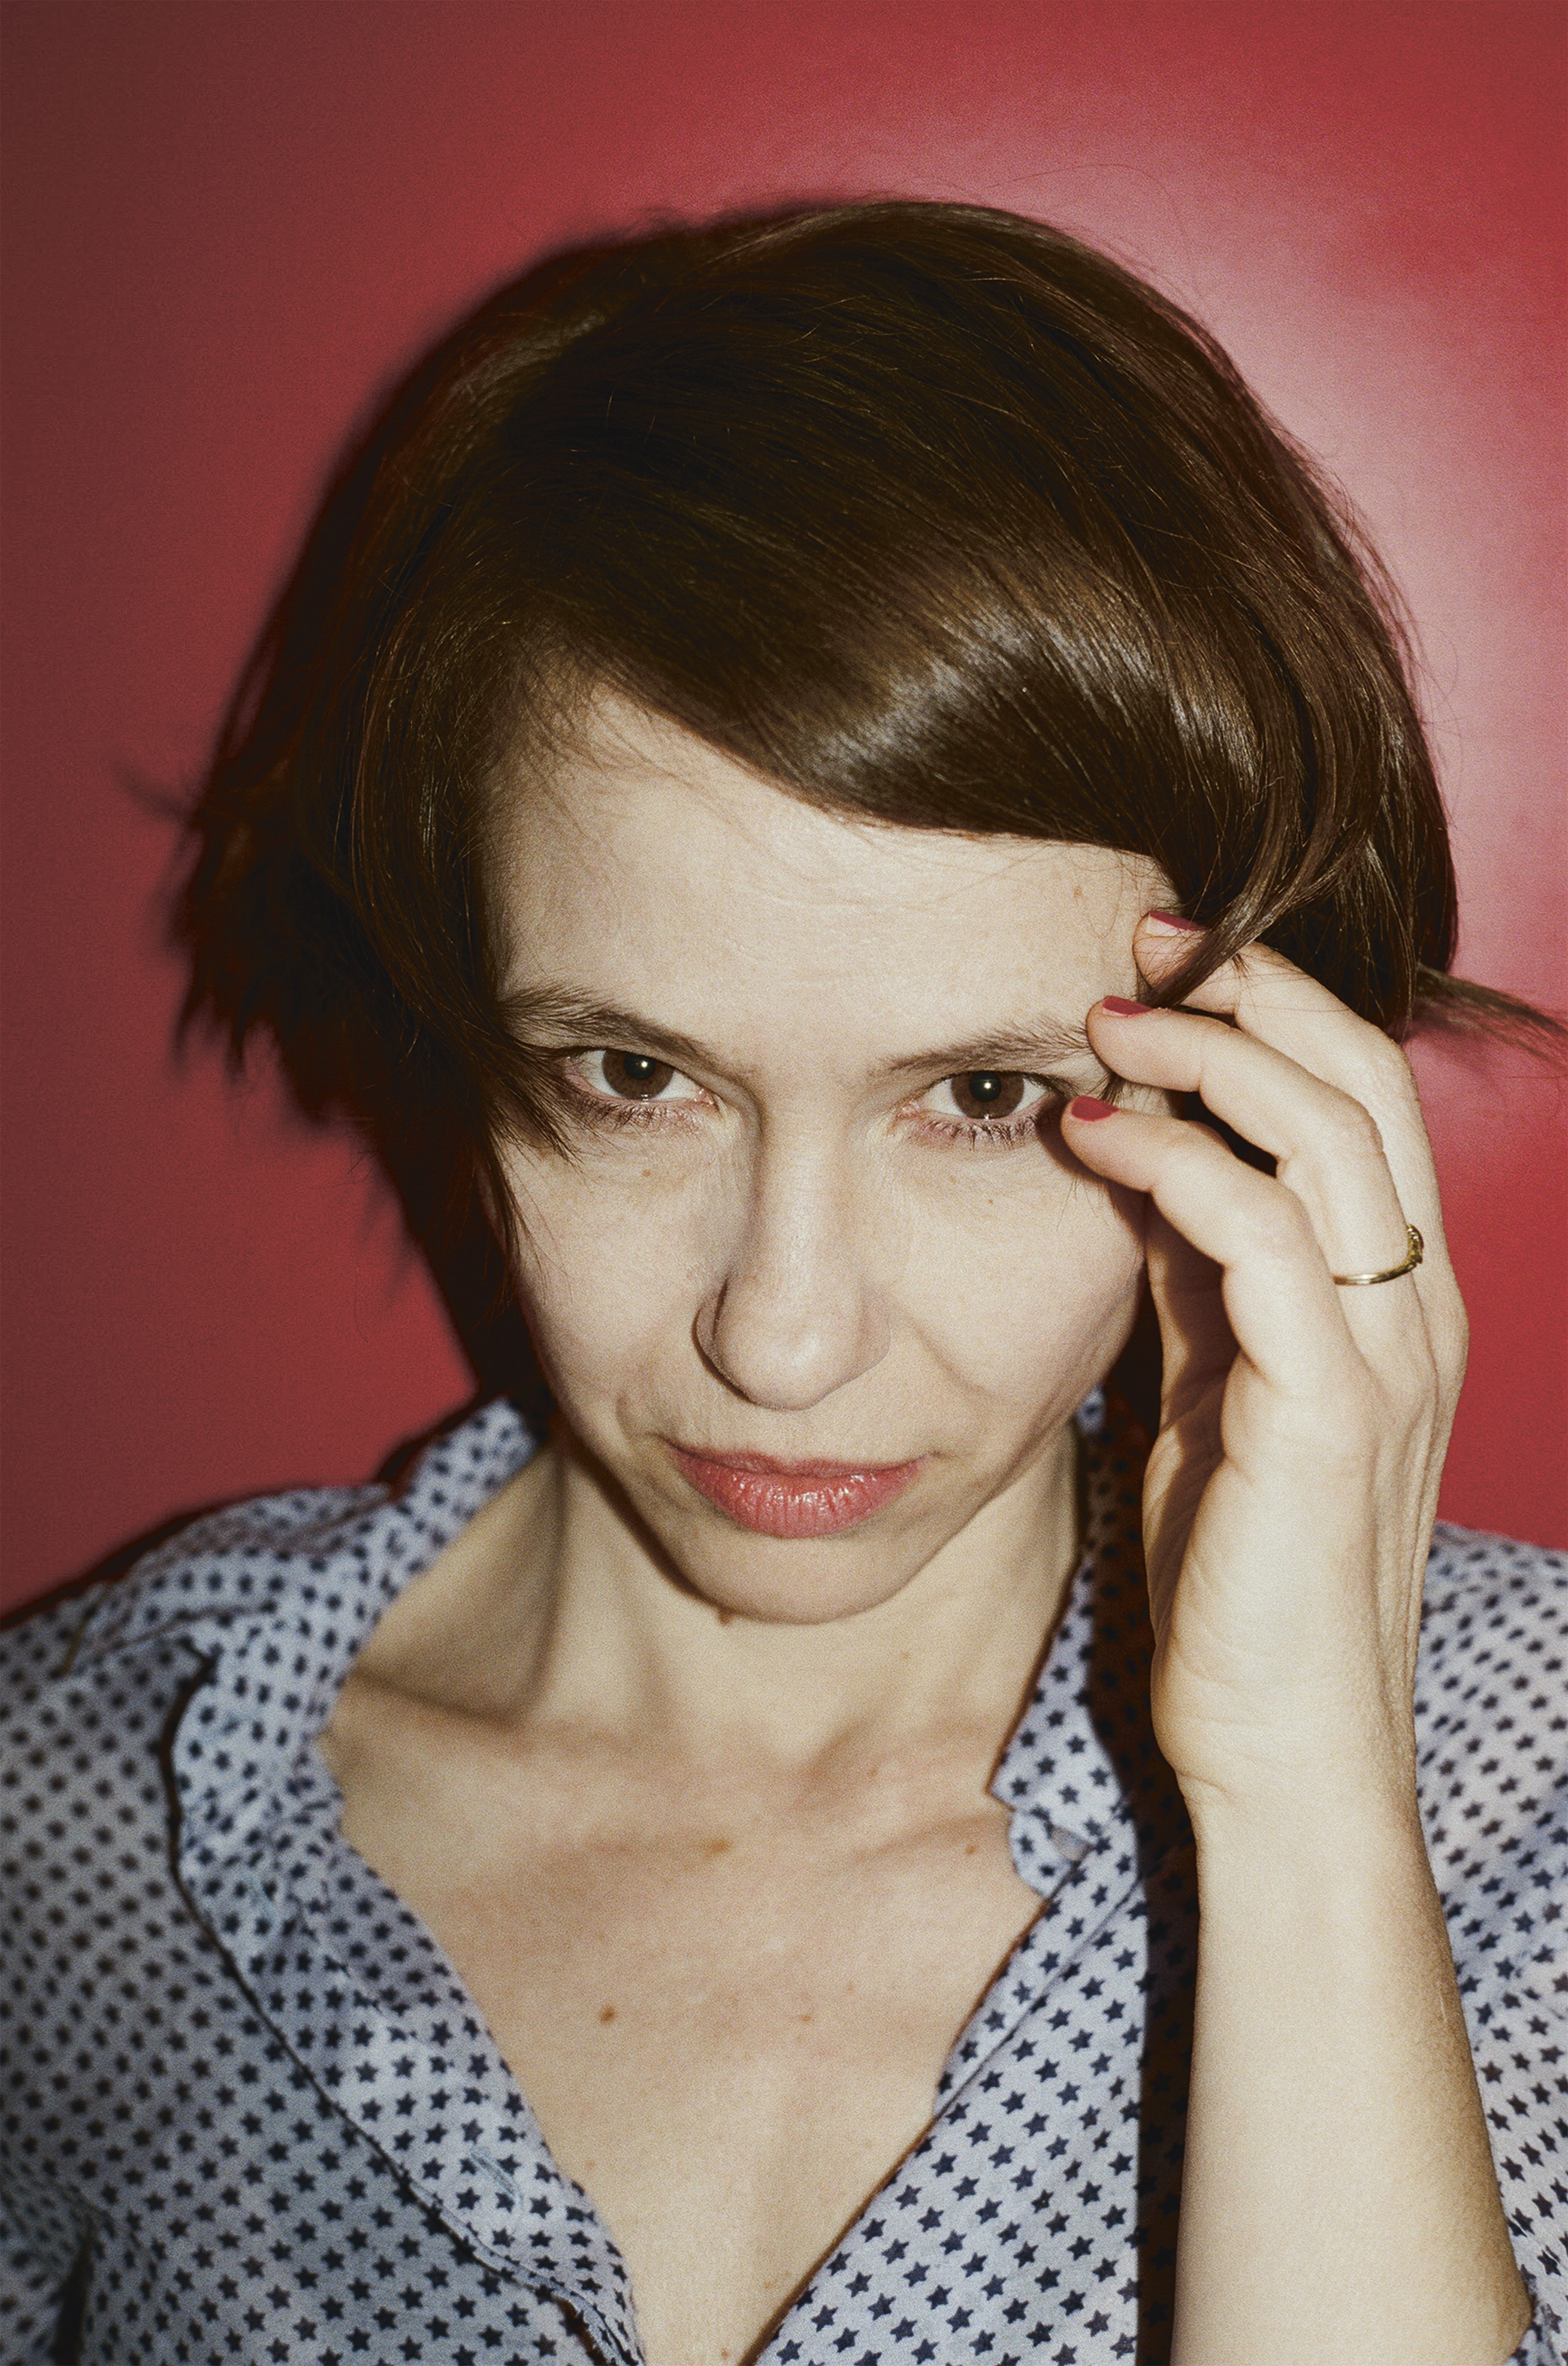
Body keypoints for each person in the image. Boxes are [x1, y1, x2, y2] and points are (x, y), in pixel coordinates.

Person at [1, 200, 1563, 2366]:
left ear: (1262, 1087)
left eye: (989, 1100)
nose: (785, 1337)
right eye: (635, 1078)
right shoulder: (77, 1813)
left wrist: (1307, 1804)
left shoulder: (1530, 1804)